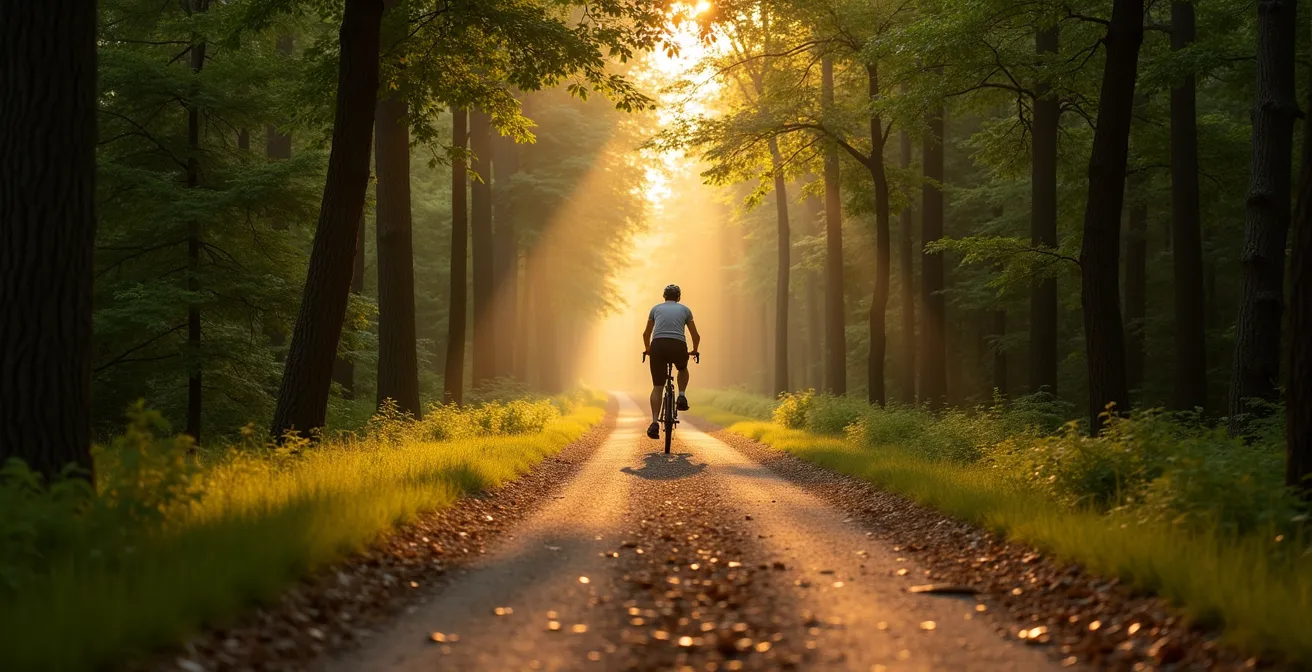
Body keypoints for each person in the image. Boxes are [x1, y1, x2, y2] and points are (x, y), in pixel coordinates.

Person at [642, 284, 700, 439]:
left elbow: (646, 333)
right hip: (678, 345)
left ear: (664, 297)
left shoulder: (655, 309)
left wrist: (648, 349)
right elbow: (696, 335)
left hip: (658, 346)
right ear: (679, 297)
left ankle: (654, 422)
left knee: (657, 387)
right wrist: (694, 350)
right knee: (682, 368)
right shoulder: (685, 310)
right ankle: (681, 395)